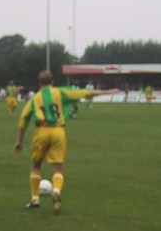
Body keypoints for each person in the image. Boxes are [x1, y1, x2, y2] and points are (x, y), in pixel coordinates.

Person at [14, 71, 120, 215]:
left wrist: (19, 141)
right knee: (57, 169)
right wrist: (107, 91)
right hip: (58, 132)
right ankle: (56, 191)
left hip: (41, 132)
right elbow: (85, 93)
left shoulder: (35, 98)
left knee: (36, 165)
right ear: (53, 82)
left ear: (39, 83)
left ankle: (34, 200)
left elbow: (23, 120)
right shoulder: (60, 93)